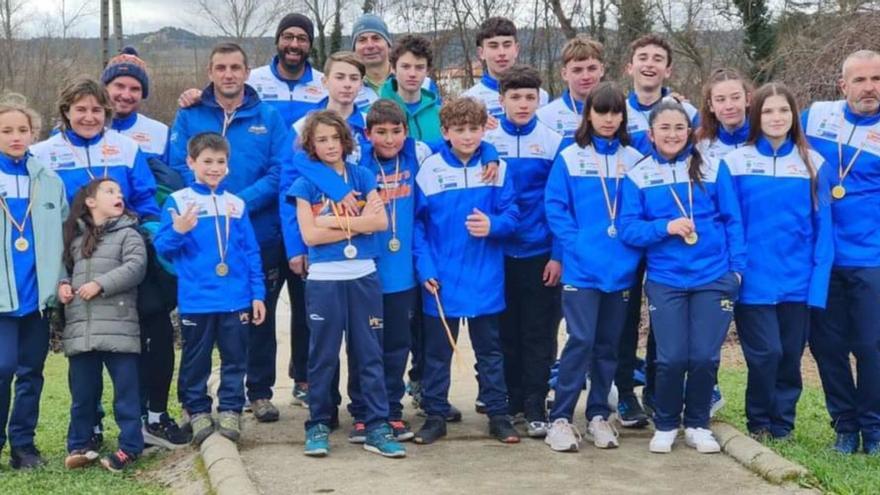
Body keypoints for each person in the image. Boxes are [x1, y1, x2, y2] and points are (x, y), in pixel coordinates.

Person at [169, 42, 290, 424]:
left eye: (236, 67)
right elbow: (176, 167)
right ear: (210, 72)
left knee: (258, 318)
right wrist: (210, 202)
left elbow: (279, 171)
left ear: (247, 72)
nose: (228, 74)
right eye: (220, 67)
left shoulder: (267, 117)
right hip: (201, 241)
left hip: (256, 232)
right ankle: (196, 403)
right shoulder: (190, 113)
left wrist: (236, 201)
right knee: (202, 330)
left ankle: (258, 393)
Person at [619, 99, 745, 454]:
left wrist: (736, 270)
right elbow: (628, 228)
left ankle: (698, 423)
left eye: (679, 128)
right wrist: (665, 227)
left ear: (690, 132)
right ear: (651, 134)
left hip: (713, 276)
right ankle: (667, 423)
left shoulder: (712, 168)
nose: (672, 134)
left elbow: (733, 220)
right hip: (666, 279)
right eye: (665, 128)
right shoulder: (638, 175)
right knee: (671, 357)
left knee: (704, 357)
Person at [287, 110, 405, 458]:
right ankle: (319, 422)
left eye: (334, 138)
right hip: (324, 279)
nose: (329, 145)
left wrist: (331, 222)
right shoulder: (306, 184)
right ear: (311, 144)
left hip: (363, 274)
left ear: (345, 140)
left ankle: (375, 424)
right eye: (321, 139)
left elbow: (380, 221)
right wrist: (353, 221)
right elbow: (309, 234)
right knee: (322, 355)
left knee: (369, 353)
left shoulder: (362, 175)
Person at [725, 83, 832, 441]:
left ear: (793, 116)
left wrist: (818, 286)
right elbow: (731, 221)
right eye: (768, 111)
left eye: (783, 110)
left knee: (789, 355)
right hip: (752, 280)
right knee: (766, 353)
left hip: (798, 281)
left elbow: (823, 230)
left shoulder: (813, 163)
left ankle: (783, 424)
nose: (776, 117)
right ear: (756, 115)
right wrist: (735, 271)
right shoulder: (735, 162)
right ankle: (758, 421)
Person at [411, 96, 520, 445]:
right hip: (441, 278)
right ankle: (435, 414)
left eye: (475, 129)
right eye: (460, 130)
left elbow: (513, 215)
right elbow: (418, 226)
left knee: (490, 351)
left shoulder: (497, 168)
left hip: (485, 275)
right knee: (438, 353)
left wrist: (495, 225)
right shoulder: (429, 169)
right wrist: (425, 268)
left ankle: (499, 414)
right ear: (445, 132)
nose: (469, 136)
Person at [543, 82, 643, 452]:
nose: (609, 119)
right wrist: (576, 245)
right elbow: (556, 206)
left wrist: (630, 253)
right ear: (589, 115)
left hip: (620, 268)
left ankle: (599, 414)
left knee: (608, 345)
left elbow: (640, 211)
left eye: (616, 112)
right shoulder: (570, 156)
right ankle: (561, 418)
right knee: (581, 340)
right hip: (583, 268)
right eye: (602, 112)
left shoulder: (633, 159)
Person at [100, 45, 190, 449]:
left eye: (134, 88)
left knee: (155, 329)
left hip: (147, 243)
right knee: (106, 336)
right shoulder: (77, 126)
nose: (125, 94)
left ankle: (156, 414)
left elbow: (173, 182)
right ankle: (107, 419)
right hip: (98, 249)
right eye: (119, 85)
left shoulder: (157, 132)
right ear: (106, 87)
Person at [154, 132, 266, 446]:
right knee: (196, 357)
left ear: (228, 166)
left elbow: (251, 252)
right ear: (191, 163)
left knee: (234, 357)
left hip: (236, 298)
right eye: (207, 161)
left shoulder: (236, 204)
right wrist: (178, 231)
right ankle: (197, 408)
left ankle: (231, 407)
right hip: (197, 300)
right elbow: (163, 247)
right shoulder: (179, 202)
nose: (214, 167)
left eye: (220, 161)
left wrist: (257, 294)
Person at [616, 34, 701, 427]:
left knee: (662, 316)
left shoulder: (689, 111)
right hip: (635, 227)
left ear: (668, 69)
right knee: (626, 314)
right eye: (642, 57)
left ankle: (655, 389)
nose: (649, 64)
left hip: (677, 233)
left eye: (658, 58)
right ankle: (625, 394)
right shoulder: (615, 109)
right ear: (629, 66)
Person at [803, 49, 880, 455]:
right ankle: (845, 426)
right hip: (821, 256)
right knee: (827, 348)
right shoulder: (815, 116)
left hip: (871, 258)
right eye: (861, 80)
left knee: (871, 347)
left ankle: (875, 427)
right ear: (842, 85)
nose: (870, 88)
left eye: (877, 79)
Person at [484, 65, 563, 437]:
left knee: (538, 333)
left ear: (539, 99)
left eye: (530, 97)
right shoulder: (485, 141)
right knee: (504, 333)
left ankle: (535, 402)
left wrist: (558, 254)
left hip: (539, 252)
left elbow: (562, 202)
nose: (523, 104)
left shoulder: (553, 140)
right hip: (497, 253)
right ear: (501, 101)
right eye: (515, 97)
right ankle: (509, 401)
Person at [59, 178, 147, 472]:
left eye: (120, 192)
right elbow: (66, 270)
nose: (118, 195)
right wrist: (64, 285)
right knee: (82, 394)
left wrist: (100, 284)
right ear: (90, 201)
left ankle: (130, 447)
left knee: (126, 393)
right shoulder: (74, 239)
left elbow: (136, 268)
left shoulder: (129, 234)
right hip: (81, 329)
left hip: (119, 328)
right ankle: (79, 446)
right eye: (110, 191)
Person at [0, 96, 67, 470]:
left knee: (31, 372)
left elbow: (61, 232)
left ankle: (23, 445)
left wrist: (59, 282)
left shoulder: (48, 179)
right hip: (1, 298)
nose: (15, 137)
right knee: (2, 366)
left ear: (34, 134)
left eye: (22, 130)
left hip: (37, 296)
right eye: (6, 130)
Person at [30, 78, 159, 220]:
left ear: (106, 112)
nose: (89, 118)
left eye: (97, 110)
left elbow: (144, 200)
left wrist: (148, 232)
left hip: (121, 235)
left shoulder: (128, 147)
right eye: (81, 110)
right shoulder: (40, 153)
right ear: (66, 112)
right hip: (66, 235)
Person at [463, 17, 549, 120]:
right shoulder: (468, 100)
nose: (502, 53)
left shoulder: (542, 97)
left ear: (516, 49)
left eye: (507, 45)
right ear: (481, 53)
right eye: (493, 46)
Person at [350, 13, 441, 110]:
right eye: (362, 40)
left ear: (388, 45)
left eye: (376, 38)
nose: (370, 46)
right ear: (354, 48)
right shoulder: (345, 87)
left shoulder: (425, 84)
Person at [537, 36, 606, 139]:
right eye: (577, 70)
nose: (586, 77)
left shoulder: (620, 112)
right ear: (564, 74)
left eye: (592, 69)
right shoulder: (545, 117)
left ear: (601, 70)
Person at [379, 34, 442, 143]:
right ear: (393, 68)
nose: (412, 74)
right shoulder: (375, 112)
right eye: (405, 67)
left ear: (427, 71)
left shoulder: (441, 115)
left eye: (419, 67)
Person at [695, 68, 752, 164]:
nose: (729, 106)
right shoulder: (700, 146)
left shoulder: (767, 139)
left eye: (736, 98)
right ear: (711, 105)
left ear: (747, 99)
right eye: (720, 100)